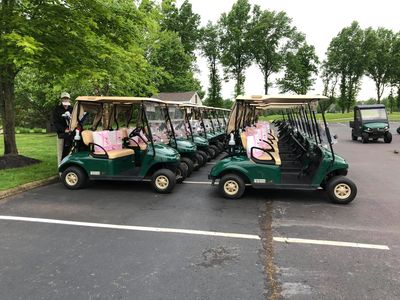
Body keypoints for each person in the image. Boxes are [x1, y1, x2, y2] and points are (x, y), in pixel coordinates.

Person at [53, 92, 73, 164]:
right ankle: (60, 169)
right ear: (61, 99)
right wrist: (64, 130)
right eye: (64, 98)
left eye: (67, 98)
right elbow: (55, 123)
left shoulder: (72, 108)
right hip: (61, 134)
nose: (65, 100)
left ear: (69, 99)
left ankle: (68, 166)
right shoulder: (57, 109)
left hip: (71, 134)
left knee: (70, 151)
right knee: (61, 152)